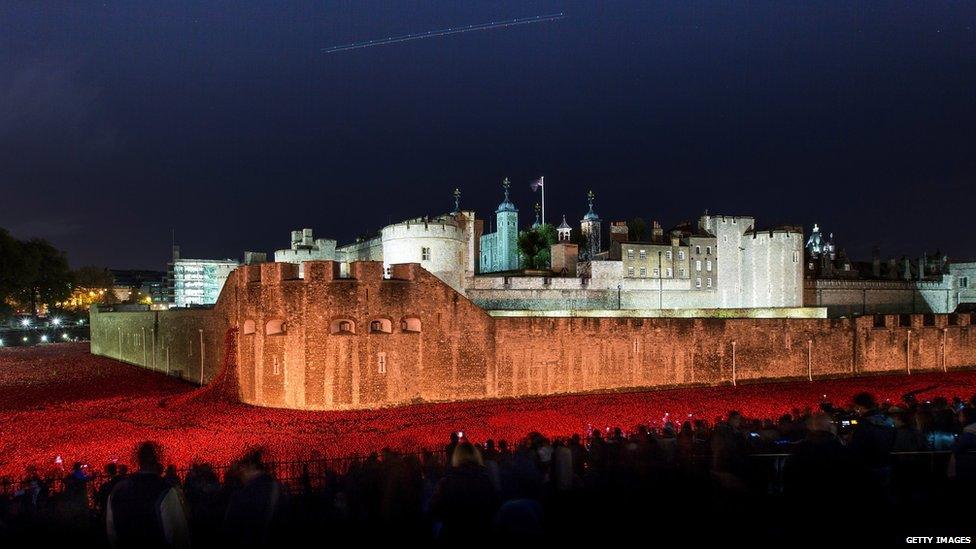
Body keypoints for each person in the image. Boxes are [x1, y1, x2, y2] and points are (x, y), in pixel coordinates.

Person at [106, 442, 189, 549]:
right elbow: (178, 534)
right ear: (157, 461)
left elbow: (112, 533)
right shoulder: (165, 490)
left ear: (138, 460)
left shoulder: (116, 491)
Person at [429, 442, 499, 543]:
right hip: (481, 533)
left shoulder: (447, 482)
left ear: (456, 457)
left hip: (454, 534)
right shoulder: (485, 480)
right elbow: (495, 506)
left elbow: (434, 510)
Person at [220, 447, 289, 548]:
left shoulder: (241, 496)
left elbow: (230, 532)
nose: (240, 476)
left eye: (240, 472)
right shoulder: (278, 488)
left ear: (246, 468)